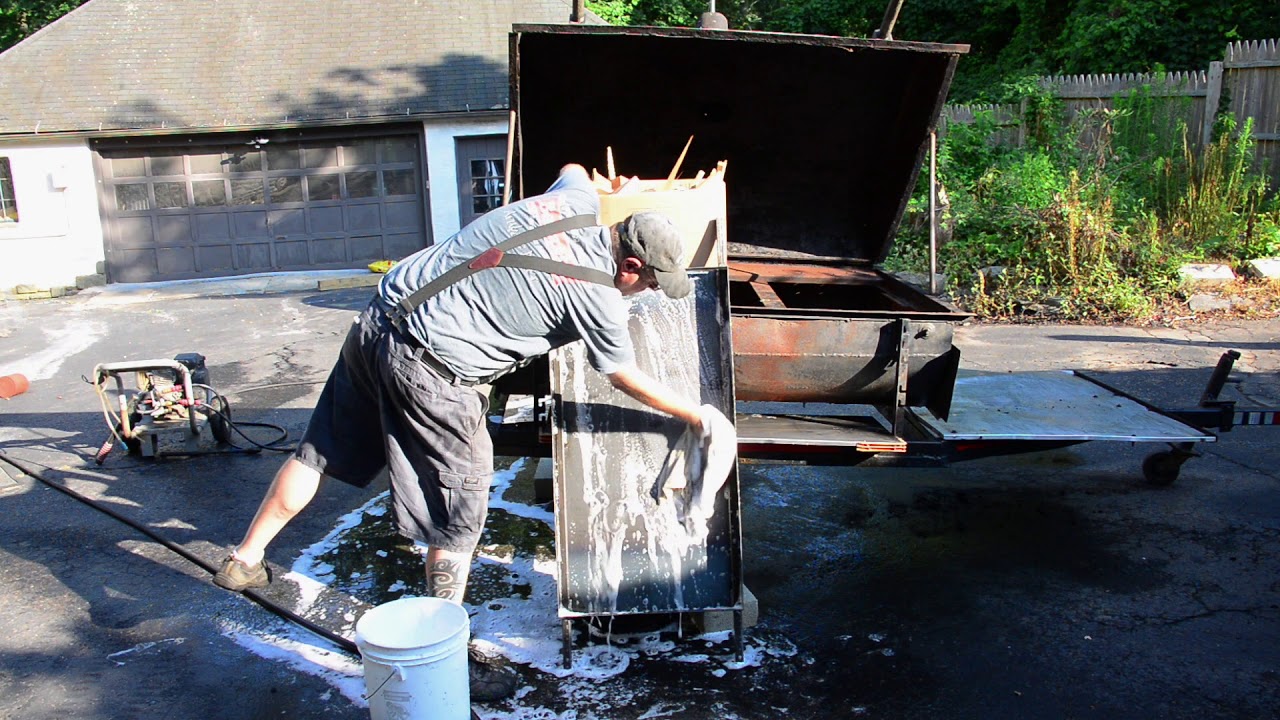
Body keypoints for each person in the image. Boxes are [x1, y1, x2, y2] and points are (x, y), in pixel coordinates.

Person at [213, 163, 707, 701]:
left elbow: (571, 170)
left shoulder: (575, 204)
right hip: (433, 369)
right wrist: (695, 414)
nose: (648, 291)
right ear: (630, 265)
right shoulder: (599, 297)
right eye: (651, 281)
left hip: (379, 319)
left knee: (318, 451)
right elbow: (622, 374)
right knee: (462, 508)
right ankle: (444, 653)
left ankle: (245, 559)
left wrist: (617, 190)